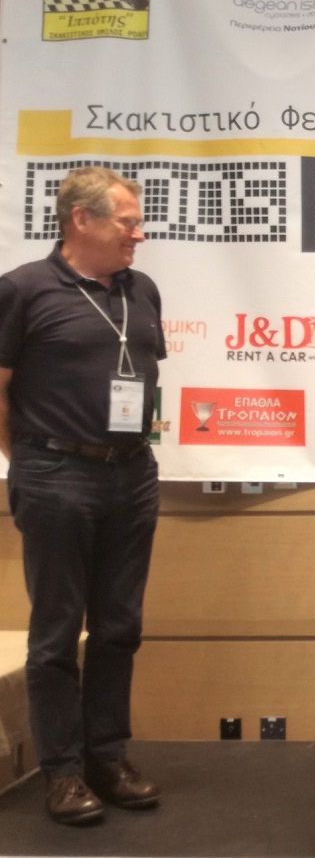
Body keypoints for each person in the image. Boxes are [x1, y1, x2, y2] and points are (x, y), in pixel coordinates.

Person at [0, 166, 165, 824]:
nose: (139, 234)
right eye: (128, 222)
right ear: (81, 220)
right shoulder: (23, 289)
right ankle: (63, 772)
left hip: (133, 474)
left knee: (120, 626)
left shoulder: (141, 290)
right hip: (55, 475)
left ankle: (107, 756)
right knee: (58, 630)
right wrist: (31, 460)